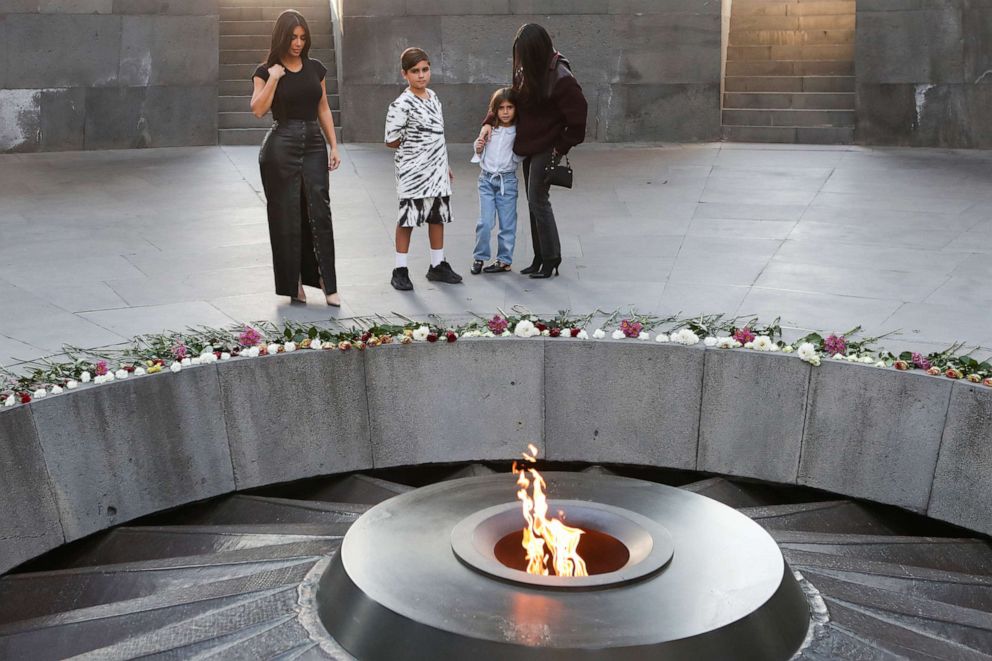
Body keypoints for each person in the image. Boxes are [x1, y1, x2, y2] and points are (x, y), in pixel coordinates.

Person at [475, 23, 587, 279]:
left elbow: (578, 121)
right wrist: (489, 120)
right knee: (533, 200)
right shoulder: (528, 70)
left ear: (535, 51)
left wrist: (559, 147)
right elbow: (511, 98)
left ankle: (551, 259)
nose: (519, 60)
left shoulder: (561, 78)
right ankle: (539, 257)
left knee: (538, 199)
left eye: (524, 53)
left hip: (548, 146)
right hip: (531, 144)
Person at [251, 9, 341, 307]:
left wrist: (334, 145)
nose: (298, 43)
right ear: (282, 37)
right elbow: (258, 109)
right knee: (285, 215)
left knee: (320, 211)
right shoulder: (265, 71)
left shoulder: (316, 68)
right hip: (281, 146)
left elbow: (324, 108)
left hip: (314, 144)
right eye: (292, 37)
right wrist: (275, 77)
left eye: (302, 38)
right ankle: (294, 284)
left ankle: (327, 282)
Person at [384, 47, 462, 291]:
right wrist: (414, 145)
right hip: (414, 172)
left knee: (437, 216)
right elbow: (391, 139)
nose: (421, 75)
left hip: (437, 171)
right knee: (407, 219)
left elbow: (439, 134)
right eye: (415, 71)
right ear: (405, 74)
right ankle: (400, 269)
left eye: (425, 69)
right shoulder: (401, 104)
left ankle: (437, 265)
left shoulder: (434, 97)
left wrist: (443, 163)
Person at [470, 88, 522, 275]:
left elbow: (520, 154)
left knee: (507, 224)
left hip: (507, 182)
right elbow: (479, 152)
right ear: (495, 110)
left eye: (510, 107)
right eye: (501, 108)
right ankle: (479, 257)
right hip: (486, 180)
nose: (506, 112)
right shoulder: (490, 128)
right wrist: (478, 147)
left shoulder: (518, 131)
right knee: (485, 222)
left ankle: (504, 260)